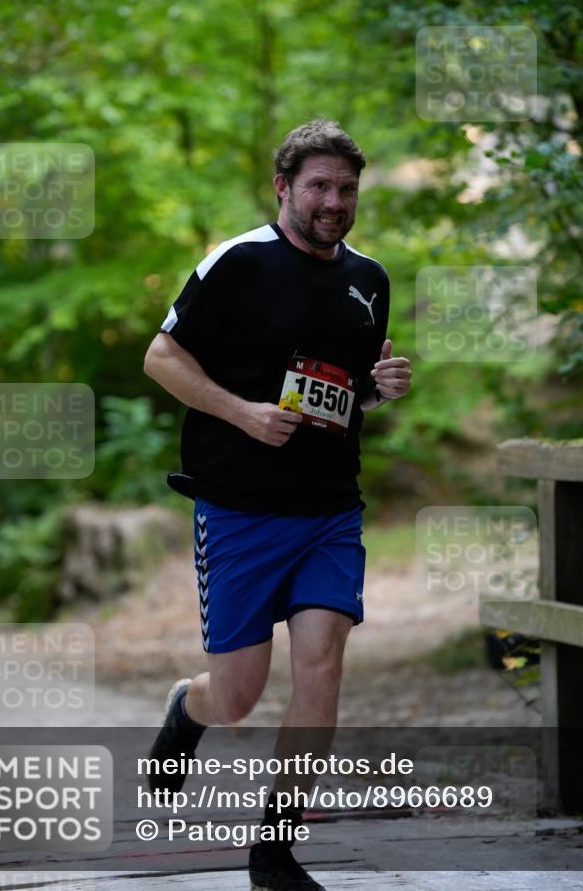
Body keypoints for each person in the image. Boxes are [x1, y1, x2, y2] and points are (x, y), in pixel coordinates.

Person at [143, 120, 412, 890]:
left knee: (321, 665)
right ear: (283, 187)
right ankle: (186, 711)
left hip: (329, 507)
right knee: (236, 695)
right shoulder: (237, 262)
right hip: (237, 507)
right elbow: (159, 356)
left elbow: (346, 390)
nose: (334, 201)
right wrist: (243, 413)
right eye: (320, 186)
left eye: (347, 188)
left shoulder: (370, 278)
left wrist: (380, 390)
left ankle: (274, 848)